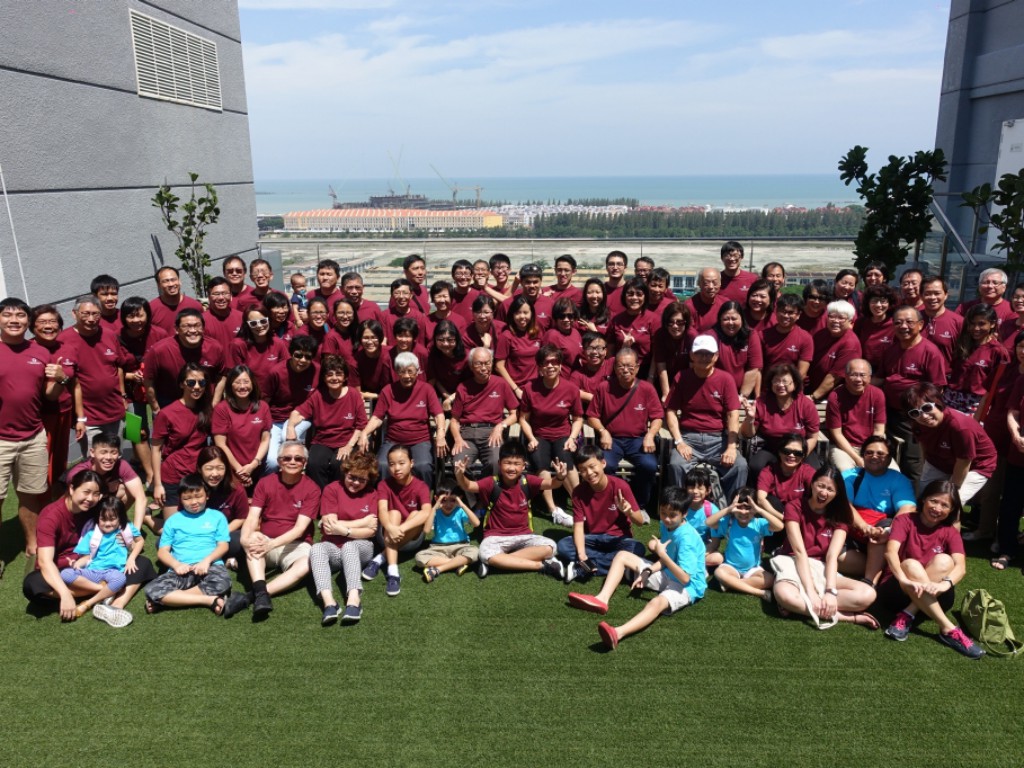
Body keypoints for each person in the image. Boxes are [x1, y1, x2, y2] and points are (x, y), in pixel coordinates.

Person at [565, 486, 706, 651]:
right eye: (663, 513)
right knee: (622, 556)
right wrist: (648, 571)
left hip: (688, 586)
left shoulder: (687, 539)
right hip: (669, 572)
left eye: (672, 515)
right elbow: (667, 558)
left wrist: (662, 555)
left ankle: (617, 633)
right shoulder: (667, 525)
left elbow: (685, 578)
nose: (667, 519)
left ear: (684, 514)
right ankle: (602, 599)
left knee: (657, 603)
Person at [24, 470, 152, 620]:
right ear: (72, 489)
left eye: (96, 494)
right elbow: (45, 562)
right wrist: (65, 594)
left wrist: (126, 540)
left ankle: (117, 604)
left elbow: (119, 517)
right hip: (65, 571)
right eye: (86, 492)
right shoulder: (51, 516)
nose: (90, 498)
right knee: (32, 584)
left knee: (142, 563)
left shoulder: (95, 509)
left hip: (95, 564)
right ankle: (107, 590)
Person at [878, 480, 983, 658]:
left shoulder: (950, 531)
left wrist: (944, 585)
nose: (937, 508)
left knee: (945, 561)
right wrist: (903, 579)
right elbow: (890, 552)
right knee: (911, 565)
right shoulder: (905, 520)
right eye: (934, 501)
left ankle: (908, 613)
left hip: (937, 593)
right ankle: (948, 628)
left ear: (951, 510)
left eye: (945, 505)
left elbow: (961, 567)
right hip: (898, 590)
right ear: (924, 499)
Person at [0, 297, 70, 557]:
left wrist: (61, 379)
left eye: (20, 315)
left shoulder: (40, 352)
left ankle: (33, 544)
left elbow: (49, 395)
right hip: (1, 440)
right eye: (7, 315)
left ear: (28, 321)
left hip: (32, 436)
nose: (14, 320)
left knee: (31, 495)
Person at [770, 466, 878, 629]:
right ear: (812, 484)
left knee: (868, 594)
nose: (824, 493)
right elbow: (799, 552)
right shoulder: (794, 506)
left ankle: (802, 605)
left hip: (821, 567)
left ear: (837, 493)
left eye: (830, 489)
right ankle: (848, 617)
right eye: (820, 486)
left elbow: (832, 556)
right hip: (794, 561)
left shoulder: (840, 515)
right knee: (784, 594)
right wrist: (811, 593)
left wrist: (830, 591)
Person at [227, 441, 321, 619]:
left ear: (305, 463)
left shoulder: (312, 489)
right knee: (253, 538)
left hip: (297, 545)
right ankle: (260, 593)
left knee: (308, 563)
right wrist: (245, 539)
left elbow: (299, 529)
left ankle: (255, 595)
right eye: (287, 458)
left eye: (298, 458)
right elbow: (252, 517)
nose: (292, 462)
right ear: (279, 461)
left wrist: (271, 545)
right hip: (267, 538)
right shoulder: (265, 483)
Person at [453, 440, 568, 579]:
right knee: (485, 552)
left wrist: (560, 477)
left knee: (551, 546)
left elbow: (552, 484)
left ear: (524, 465)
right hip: (495, 536)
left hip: (524, 535)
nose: (512, 468)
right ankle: (541, 565)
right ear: (499, 463)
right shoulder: (491, 482)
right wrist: (460, 475)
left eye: (517, 464)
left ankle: (498, 562)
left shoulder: (527, 481)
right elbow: (469, 486)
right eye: (507, 463)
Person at [665, 335, 747, 499]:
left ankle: (732, 508)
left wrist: (731, 446)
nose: (704, 358)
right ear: (692, 355)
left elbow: (732, 414)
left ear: (716, 356)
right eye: (700, 353)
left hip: (718, 439)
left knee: (740, 466)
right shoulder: (682, 377)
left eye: (709, 354)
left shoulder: (725, 379)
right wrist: (679, 442)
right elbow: (670, 411)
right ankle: (680, 507)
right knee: (676, 465)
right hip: (689, 438)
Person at [587, 347, 664, 511]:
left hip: (637, 439)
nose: (625, 370)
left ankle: (639, 504)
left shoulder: (646, 388)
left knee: (649, 465)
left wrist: (650, 435)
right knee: (605, 465)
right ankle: (611, 502)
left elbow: (657, 417)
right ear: (615, 368)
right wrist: (603, 431)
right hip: (612, 439)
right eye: (621, 366)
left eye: (630, 366)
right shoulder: (604, 387)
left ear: (637, 367)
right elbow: (592, 416)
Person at [876, 306, 947, 483]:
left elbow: (937, 389)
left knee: (912, 462)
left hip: (915, 417)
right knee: (886, 456)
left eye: (909, 322)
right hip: (889, 413)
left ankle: (914, 497)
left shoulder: (930, 352)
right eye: (898, 323)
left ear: (920, 324)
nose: (903, 326)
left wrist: (923, 416)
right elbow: (880, 378)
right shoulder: (890, 350)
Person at [143, 474, 231, 616]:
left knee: (222, 582)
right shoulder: (173, 520)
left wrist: (206, 561)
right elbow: (163, 551)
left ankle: (169, 600)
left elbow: (223, 546)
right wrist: (176, 565)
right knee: (152, 589)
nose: (194, 502)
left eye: (198, 496)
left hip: (210, 566)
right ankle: (208, 600)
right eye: (187, 498)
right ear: (180, 499)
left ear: (207, 496)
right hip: (181, 569)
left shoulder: (217, 517)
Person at [309, 450, 379, 625]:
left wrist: (344, 530)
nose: (355, 483)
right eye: (352, 477)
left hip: (361, 547)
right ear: (345, 472)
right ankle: (329, 603)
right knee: (316, 548)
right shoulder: (332, 489)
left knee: (350, 546)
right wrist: (362, 522)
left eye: (362, 480)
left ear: (368, 480)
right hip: (332, 547)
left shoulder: (372, 494)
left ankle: (354, 600)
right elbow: (329, 526)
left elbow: (371, 531)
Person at [558, 445, 646, 582]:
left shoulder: (620, 486)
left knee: (638, 549)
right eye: (583, 470)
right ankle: (620, 566)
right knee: (563, 545)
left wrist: (629, 512)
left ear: (603, 463)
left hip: (618, 539)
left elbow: (640, 522)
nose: (589, 473)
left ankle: (584, 567)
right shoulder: (578, 492)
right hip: (592, 538)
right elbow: (578, 527)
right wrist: (582, 555)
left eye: (592, 466)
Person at [518, 345, 583, 526]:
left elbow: (578, 419)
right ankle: (553, 509)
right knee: (540, 461)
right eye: (546, 363)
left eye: (555, 362)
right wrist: (531, 438)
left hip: (563, 434)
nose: (550, 366)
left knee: (566, 460)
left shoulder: (571, 389)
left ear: (560, 365)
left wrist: (572, 438)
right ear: (539, 367)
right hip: (539, 435)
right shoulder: (530, 388)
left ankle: (580, 505)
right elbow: (523, 418)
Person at [58, 294, 130, 456]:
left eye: (95, 314)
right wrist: (79, 418)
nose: (91, 319)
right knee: (94, 459)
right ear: (74, 314)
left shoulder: (109, 335)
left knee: (115, 455)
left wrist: (123, 395)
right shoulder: (64, 339)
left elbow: (118, 366)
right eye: (85, 314)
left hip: (114, 409)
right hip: (88, 415)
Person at [361, 352, 445, 488]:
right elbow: (377, 417)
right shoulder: (388, 391)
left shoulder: (427, 389)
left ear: (417, 371)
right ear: (396, 372)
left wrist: (440, 433)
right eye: (402, 371)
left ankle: (424, 497)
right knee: (382, 465)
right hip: (393, 440)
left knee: (423, 466)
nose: (406, 376)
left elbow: (438, 414)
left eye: (410, 371)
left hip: (420, 441)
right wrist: (365, 433)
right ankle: (384, 496)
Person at [56, 495, 143, 627]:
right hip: (93, 572)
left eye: (112, 519)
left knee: (120, 579)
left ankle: (88, 603)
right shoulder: (92, 533)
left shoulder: (126, 529)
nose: (107, 523)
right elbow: (87, 556)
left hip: (112, 572)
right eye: (103, 519)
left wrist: (131, 558)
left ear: (120, 518)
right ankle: (106, 590)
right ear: (98, 518)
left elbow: (140, 541)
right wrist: (79, 563)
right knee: (65, 573)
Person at [903, 383, 996, 504]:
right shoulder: (917, 424)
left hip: (975, 465)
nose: (924, 416)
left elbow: (964, 462)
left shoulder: (960, 427)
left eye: (926, 408)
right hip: (939, 461)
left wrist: (951, 491)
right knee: (925, 497)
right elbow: (923, 446)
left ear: (937, 403)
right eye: (915, 413)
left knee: (950, 503)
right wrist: (925, 466)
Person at [842, 435, 917, 584]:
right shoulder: (849, 476)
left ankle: (869, 581)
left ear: (889, 459)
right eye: (869, 453)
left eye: (880, 454)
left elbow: (908, 507)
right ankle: (882, 568)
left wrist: (889, 530)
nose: (874, 456)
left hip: (882, 533)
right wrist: (864, 526)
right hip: (854, 528)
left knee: (884, 527)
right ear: (863, 455)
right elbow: (845, 505)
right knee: (835, 553)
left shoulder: (898, 479)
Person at [361, 444, 432, 596]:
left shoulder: (421, 486)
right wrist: (390, 527)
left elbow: (426, 512)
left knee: (415, 514)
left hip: (412, 537)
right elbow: (382, 510)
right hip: (387, 533)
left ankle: (380, 557)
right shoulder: (384, 484)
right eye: (392, 464)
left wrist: (400, 529)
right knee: (393, 513)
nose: (396, 468)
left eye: (401, 463)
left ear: (411, 463)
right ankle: (393, 573)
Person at [288, 354, 365, 488]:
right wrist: (290, 427)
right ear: (324, 378)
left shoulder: (354, 395)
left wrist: (349, 446)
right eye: (330, 374)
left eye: (339, 374)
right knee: (314, 464)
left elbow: (361, 424)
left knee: (339, 464)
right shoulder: (318, 395)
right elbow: (297, 413)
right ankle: (320, 495)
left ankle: (337, 495)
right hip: (322, 441)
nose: (334, 378)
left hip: (346, 440)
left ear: (345, 377)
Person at [151, 362, 213, 525]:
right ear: (181, 384)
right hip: (173, 475)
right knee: (173, 528)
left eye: (202, 382)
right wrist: (157, 484)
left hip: (198, 475)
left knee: (197, 524)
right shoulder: (167, 413)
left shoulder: (207, 410)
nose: (197, 387)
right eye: (191, 382)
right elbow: (156, 449)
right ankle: (148, 519)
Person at [117, 296, 167, 486]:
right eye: (130, 316)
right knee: (135, 431)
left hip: (158, 390)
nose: (136, 320)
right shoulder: (117, 337)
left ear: (148, 315)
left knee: (162, 429)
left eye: (140, 315)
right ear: (124, 318)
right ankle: (150, 474)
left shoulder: (159, 333)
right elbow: (113, 367)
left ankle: (165, 467)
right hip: (131, 392)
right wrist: (130, 376)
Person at [449, 346, 518, 478]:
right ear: (471, 366)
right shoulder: (463, 387)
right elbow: (454, 420)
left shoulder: (501, 384)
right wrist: (457, 439)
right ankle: (471, 491)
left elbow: (515, 413)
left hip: (492, 434)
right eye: (479, 364)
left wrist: (501, 426)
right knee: (459, 465)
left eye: (487, 363)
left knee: (496, 463)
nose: (484, 367)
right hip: (467, 435)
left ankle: (485, 488)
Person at [741, 363, 820, 475]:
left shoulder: (806, 404)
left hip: (799, 448)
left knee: (813, 471)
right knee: (756, 466)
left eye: (785, 381)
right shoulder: (762, 402)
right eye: (776, 381)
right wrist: (749, 419)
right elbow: (748, 434)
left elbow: (813, 437)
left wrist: (799, 455)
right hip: (772, 447)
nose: (780, 385)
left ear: (795, 383)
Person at [30, 303, 76, 492]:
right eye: (42, 322)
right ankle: (41, 500)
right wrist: (60, 379)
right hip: (41, 417)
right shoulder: (28, 349)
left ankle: (56, 498)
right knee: (41, 463)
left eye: (53, 321)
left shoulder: (68, 348)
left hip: (65, 411)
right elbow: (48, 395)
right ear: (32, 327)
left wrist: (80, 416)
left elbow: (75, 383)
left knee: (60, 460)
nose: (48, 326)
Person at [705, 488, 783, 600]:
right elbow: (708, 522)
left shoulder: (759, 524)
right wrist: (728, 509)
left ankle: (732, 584)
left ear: (754, 508)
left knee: (770, 580)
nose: (743, 512)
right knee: (719, 573)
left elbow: (779, 526)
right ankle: (758, 592)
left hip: (753, 569)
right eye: (739, 507)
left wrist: (760, 510)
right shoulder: (729, 522)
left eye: (748, 508)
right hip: (731, 567)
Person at [143, 308, 227, 410]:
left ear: (203, 328)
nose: (193, 330)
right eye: (187, 326)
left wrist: (214, 403)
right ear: (176, 329)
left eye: (197, 326)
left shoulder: (215, 348)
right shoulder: (159, 350)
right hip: (170, 401)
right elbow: (148, 380)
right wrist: (156, 408)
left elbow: (222, 376)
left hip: (204, 401)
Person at [64, 432, 149, 531]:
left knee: (126, 490)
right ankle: (83, 525)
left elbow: (141, 497)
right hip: (83, 505)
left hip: (101, 499)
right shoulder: (79, 473)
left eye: (113, 452)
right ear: (92, 452)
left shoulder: (121, 465)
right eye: (103, 452)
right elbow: (73, 500)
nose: (108, 457)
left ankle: (113, 519)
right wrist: (105, 488)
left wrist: (135, 532)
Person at [263, 335, 318, 473]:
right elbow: (265, 402)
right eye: (298, 355)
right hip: (276, 419)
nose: (302, 360)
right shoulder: (276, 372)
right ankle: (269, 483)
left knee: (288, 440)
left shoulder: (317, 371)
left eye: (308, 357)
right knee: (272, 462)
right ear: (291, 353)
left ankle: (295, 478)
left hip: (302, 416)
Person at [212, 365, 272, 492]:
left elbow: (265, 439)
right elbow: (221, 444)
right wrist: (240, 471)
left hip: (257, 468)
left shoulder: (263, 407)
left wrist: (253, 465)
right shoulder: (221, 409)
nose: (242, 386)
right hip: (231, 471)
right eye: (237, 382)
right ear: (230, 385)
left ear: (253, 383)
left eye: (246, 381)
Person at [944, 303, 1008, 416]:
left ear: (992, 324)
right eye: (972, 324)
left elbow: (999, 384)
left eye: (981, 324)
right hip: (950, 398)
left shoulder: (998, 351)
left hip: (975, 404)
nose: (976, 328)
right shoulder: (962, 344)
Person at [825, 359, 887, 471]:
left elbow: (879, 430)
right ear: (846, 376)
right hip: (844, 448)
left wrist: (871, 453)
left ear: (870, 377)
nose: (858, 379)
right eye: (854, 375)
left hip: (871, 446)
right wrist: (858, 459)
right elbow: (837, 434)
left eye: (862, 375)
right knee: (848, 472)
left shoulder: (877, 394)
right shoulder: (835, 397)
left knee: (893, 472)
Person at [417, 481, 480, 583]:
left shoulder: (459, 511)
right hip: (438, 548)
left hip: (461, 546)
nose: (448, 504)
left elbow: (476, 523)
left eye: (453, 500)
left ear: (459, 499)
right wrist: (434, 507)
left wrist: (462, 505)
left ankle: (438, 569)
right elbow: (426, 530)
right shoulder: (435, 512)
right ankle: (457, 563)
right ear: (437, 499)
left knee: (475, 552)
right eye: (444, 500)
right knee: (419, 557)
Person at [197, 446, 248, 567]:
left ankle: (207, 555)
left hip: (226, 533)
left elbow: (241, 518)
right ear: (199, 469)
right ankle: (224, 557)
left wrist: (220, 533)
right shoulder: (192, 488)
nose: (215, 474)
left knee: (240, 540)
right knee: (162, 543)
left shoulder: (236, 489)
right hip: (198, 533)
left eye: (220, 468)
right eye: (209, 468)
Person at [806, 300, 861, 401]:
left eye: (841, 318)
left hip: (831, 396)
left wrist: (813, 396)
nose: (835, 321)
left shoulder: (850, 343)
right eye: (832, 316)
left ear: (850, 321)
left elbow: (834, 377)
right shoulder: (821, 334)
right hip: (810, 387)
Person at [232, 306, 290, 394]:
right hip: (248, 394)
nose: (259, 326)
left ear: (269, 320)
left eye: (263, 321)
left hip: (274, 395)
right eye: (253, 323)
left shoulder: (278, 343)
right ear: (247, 325)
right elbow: (237, 377)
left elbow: (285, 371)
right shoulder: (238, 345)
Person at [755, 434, 816, 517]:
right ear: (779, 452)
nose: (791, 455)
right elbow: (760, 500)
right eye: (786, 451)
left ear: (803, 456)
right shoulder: (768, 471)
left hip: (799, 514)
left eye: (798, 453)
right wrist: (784, 518)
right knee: (772, 501)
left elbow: (816, 496)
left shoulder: (808, 472)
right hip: (776, 515)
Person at [607, 277, 658, 376]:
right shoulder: (616, 320)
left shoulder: (653, 319)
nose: (634, 298)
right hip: (621, 371)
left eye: (639, 294)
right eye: (630, 294)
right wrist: (623, 348)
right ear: (624, 296)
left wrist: (651, 377)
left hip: (645, 371)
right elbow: (610, 352)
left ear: (645, 297)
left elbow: (657, 353)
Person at [712, 300, 762, 399]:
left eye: (734, 319)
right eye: (726, 319)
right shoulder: (711, 336)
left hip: (743, 394)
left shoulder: (751, 335)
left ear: (742, 319)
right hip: (716, 393)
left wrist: (742, 396)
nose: (730, 323)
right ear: (719, 320)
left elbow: (753, 369)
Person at [494, 294, 542, 394]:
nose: (522, 317)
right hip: (516, 388)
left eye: (525, 312)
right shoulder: (506, 336)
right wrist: (516, 389)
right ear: (512, 315)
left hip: (535, 387)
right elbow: (499, 366)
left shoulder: (537, 332)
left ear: (532, 314)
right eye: (518, 313)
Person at [760, 293, 813, 380]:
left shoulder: (806, 338)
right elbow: (757, 368)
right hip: (768, 385)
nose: (786, 316)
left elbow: (802, 373)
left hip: (792, 385)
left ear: (798, 315)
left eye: (791, 313)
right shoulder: (762, 335)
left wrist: (788, 386)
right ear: (776, 312)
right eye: (782, 311)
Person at [651, 301, 694, 401]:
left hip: (685, 380)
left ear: (686, 322)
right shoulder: (660, 335)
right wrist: (666, 394)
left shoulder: (692, 337)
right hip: (665, 379)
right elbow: (661, 367)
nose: (675, 326)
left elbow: (692, 369)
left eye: (680, 322)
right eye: (670, 322)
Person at [684, 467, 724, 567]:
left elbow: (715, 543)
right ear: (685, 489)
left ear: (708, 490)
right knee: (653, 544)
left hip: (702, 546)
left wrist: (698, 554)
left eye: (700, 488)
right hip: (681, 544)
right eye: (691, 487)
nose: (695, 491)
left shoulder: (712, 510)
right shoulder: (681, 506)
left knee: (717, 558)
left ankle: (687, 561)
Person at [920, 276, 962, 370]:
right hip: (915, 376)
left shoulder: (958, 322)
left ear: (946, 295)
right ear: (921, 296)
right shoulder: (913, 319)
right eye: (927, 294)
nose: (932, 297)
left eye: (937, 293)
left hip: (946, 376)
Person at [426, 319, 469, 411]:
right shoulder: (432, 353)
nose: (445, 344)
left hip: (464, 393)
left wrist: (451, 399)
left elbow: (469, 383)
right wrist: (447, 396)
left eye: (450, 340)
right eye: (440, 340)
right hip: (441, 393)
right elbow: (434, 379)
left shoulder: (466, 356)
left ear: (457, 339)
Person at [854, 284, 898, 372]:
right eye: (874, 301)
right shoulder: (861, 322)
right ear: (868, 303)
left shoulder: (895, 324)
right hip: (864, 369)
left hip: (887, 370)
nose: (878, 305)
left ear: (889, 304)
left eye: (883, 301)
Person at [148, 266, 203, 334]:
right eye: (165, 281)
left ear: (179, 281)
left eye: (173, 280)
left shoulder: (195, 306)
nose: (171, 284)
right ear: (158, 285)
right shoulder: (151, 309)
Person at [349, 319, 390, 402]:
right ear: (360, 339)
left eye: (374, 337)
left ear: (380, 337)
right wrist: (377, 396)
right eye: (365, 338)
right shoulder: (354, 361)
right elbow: (358, 394)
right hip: (367, 401)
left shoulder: (391, 354)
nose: (370, 342)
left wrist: (376, 396)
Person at [542, 297, 582, 378]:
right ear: (556, 318)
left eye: (570, 316)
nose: (566, 319)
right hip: (561, 380)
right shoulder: (552, 335)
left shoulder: (576, 332)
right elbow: (546, 363)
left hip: (575, 379)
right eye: (562, 316)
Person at [202, 277, 244, 353]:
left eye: (225, 293)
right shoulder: (202, 321)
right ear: (208, 297)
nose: (221, 298)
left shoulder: (241, 317)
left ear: (231, 295)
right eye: (216, 294)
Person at [685, 267, 725, 333]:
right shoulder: (689, 306)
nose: (711, 287)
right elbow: (690, 332)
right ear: (699, 283)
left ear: (720, 283)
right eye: (706, 283)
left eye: (715, 283)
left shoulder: (725, 304)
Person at [449, 259, 480, 323]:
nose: (463, 277)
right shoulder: (449, 295)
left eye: (466, 274)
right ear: (453, 276)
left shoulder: (478, 296)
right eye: (459, 274)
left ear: (472, 276)